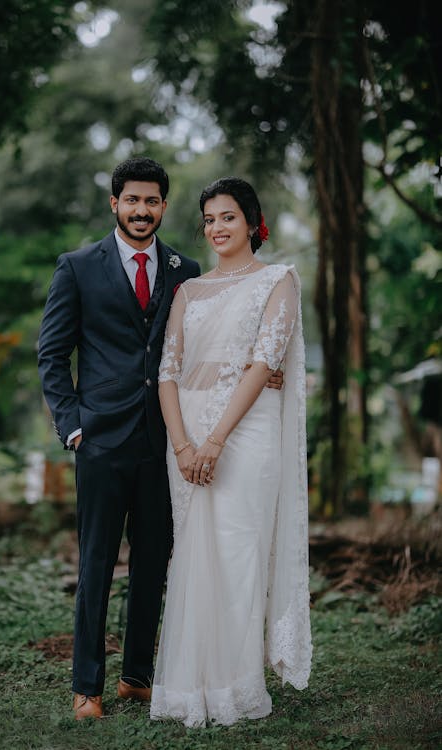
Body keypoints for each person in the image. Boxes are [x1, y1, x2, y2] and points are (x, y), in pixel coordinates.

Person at [38, 157, 285, 720]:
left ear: (163, 207)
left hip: (167, 439)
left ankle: (135, 677)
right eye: (132, 201)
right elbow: (52, 354)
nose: (141, 211)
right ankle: (86, 687)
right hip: (99, 441)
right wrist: (73, 427)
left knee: (153, 563)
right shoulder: (77, 267)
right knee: (97, 563)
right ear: (115, 204)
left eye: (152, 202)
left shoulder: (186, 269)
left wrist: (266, 369)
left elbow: (203, 346)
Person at [150, 177, 312, 727]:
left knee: (238, 553)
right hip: (186, 432)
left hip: (247, 429)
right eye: (210, 220)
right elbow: (167, 371)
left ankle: (236, 687)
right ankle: (189, 685)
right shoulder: (189, 291)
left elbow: (265, 363)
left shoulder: (278, 281)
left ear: (252, 221)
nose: (217, 229)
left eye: (228, 218)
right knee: (194, 556)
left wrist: (216, 440)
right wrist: (183, 445)